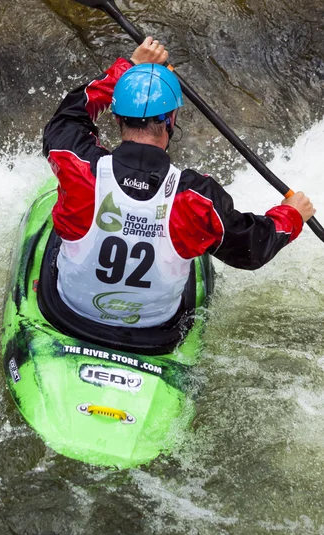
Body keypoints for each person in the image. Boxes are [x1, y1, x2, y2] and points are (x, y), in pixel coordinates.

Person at [42, 36, 315, 329]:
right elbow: (251, 249)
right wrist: (291, 215)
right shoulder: (198, 198)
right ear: (171, 119)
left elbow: (67, 119)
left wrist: (130, 66)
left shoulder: (79, 168)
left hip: (71, 311)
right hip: (153, 330)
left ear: (118, 116)